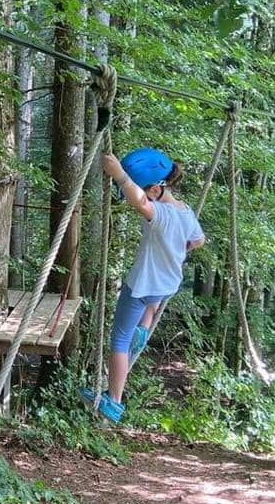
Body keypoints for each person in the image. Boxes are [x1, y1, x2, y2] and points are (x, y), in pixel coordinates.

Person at [80, 148, 205, 423]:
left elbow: (140, 203)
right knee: (150, 307)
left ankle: (114, 400)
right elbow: (199, 240)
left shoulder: (160, 213)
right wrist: (179, 247)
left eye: (140, 187)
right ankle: (143, 333)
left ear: (153, 188)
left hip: (142, 284)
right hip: (167, 283)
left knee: (119, 341)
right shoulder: (185, 212)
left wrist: (121, 176)